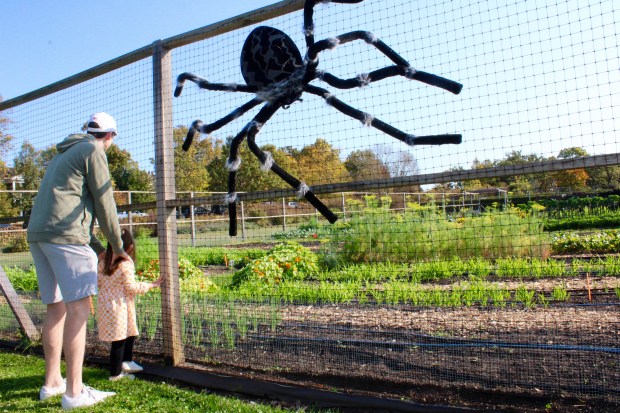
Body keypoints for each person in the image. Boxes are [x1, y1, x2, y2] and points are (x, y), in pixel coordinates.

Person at [27, 112, 129, 410]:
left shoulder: (63, 153)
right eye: (112, 139)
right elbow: (104, 202)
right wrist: (117, 246)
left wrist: (97, 247)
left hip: (39, 235)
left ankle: (52, 383)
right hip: (64, 237)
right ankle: (74, 393)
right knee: (78, 309)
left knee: (56, 306)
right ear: (109, 136)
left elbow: (74, 206)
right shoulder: (93, 151)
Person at [97, 229, 162, 381]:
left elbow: (98, 282)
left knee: (128, 331)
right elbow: (131, 287)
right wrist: (150, 285)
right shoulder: (125, 264)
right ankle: (115, 374)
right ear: (129, 247)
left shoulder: (103, 262)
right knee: (119, 339)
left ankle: (126, 362)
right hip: (120, 304)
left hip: (106, 303)